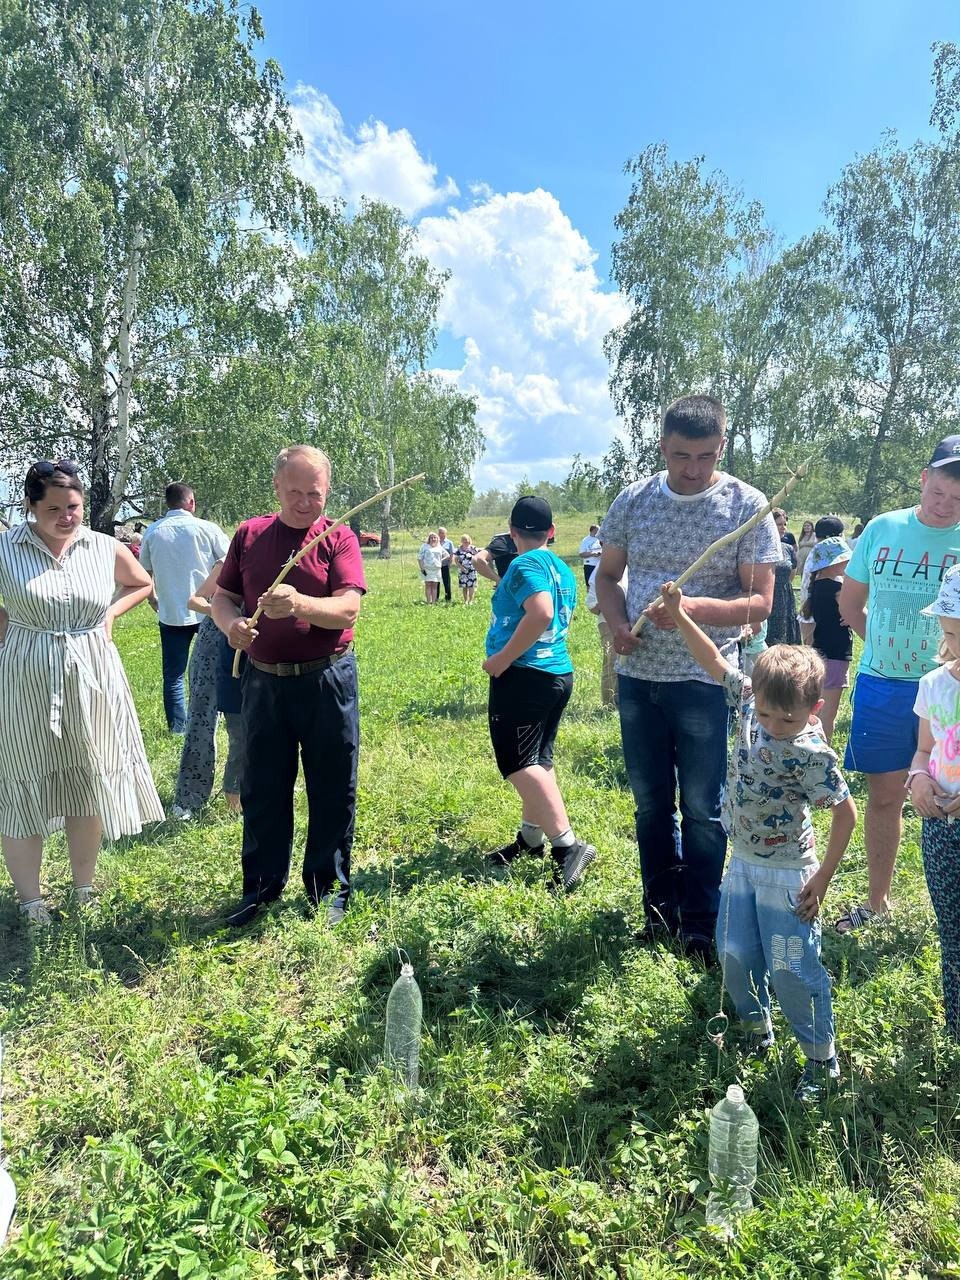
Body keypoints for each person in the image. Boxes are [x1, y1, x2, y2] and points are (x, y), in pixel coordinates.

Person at [595, 394, 781, 960]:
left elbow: (761, 603)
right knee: (651, 803)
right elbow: (607, 576)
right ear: (662, 447)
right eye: (681, 456)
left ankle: (702, 919)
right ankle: (659, 910)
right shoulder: (633, 501)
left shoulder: (746, 508)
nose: (693, 469)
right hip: (638, 676)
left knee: (702, 807)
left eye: (704, 456)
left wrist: (692, 609)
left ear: (722, 446)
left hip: (706, 680)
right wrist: (618, 622)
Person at [660, 581, 857, 1101]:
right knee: (734, 951)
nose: (771, 725)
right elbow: (712, 661)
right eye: (767, 714)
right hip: (742, 862)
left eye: (786, 719)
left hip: (789, 874)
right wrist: (680, 614)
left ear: (815, 708)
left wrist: (822, 876)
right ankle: (755, 1029)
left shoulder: (813, 754)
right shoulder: (752, 700)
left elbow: (846, 815)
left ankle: (822, 1060)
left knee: (792, 965)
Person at [0, 460, 163, 924]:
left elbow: (142, 582)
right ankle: (31, 900)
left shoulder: (102, 545)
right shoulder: (6, 547)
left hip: (93, 673)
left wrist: (110, 615)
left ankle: (83, 887)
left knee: (86, 780)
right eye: (52, 508)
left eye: (72, 506)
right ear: (31, 506)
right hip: (25, 678)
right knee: (24, 782)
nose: (65, 516)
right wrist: (9, 628)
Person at [212, 445, 365, 927]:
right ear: (276, 487)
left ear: (327, 491)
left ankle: (329, 890)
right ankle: (260, 888)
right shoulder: (250, 535)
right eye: (294, 492)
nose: (304, 502)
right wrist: (230, 625)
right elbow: (223, 597)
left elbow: (347, 609)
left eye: (314, 493)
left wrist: (299, 603)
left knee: (332, 785)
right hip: (264, 683)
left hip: (327, 679)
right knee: (263, 787)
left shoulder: (338, 538)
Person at [837, 437, 960, 932]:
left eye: (958, 499)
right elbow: (850, 603)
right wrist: (885, 646)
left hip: (954, 690)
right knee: (886, 794)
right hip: (884, 685)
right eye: (941, 490)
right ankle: (878, 900)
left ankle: (950, 910)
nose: (946, 503)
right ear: (924, 478)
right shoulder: (882, 528)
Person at [484, 496, 595, 889]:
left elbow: (542, 612)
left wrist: (502, 658)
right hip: (557, 674)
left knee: (518, 763)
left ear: (512, 532)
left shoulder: (523, 563)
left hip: (525, 676)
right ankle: (531, 839)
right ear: (551, 532)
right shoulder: (562, 568)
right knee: (538, 760)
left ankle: (567, 846)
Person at [908, 565, 960, 1039]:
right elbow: (925, 748)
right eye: (951, 632)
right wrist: (919, 778)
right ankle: (957, 1027)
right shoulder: (935, 684)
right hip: (942, 825)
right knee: (952, 928)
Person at [139, 483, 230, 733]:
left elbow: (143, 573)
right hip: (208, 610)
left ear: (168, 503)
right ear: (191, 502)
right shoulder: (207, 529)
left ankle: (178, 728)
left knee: (174, 675)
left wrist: (153, 599)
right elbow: (229, 560)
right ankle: (215, 718)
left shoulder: (153, 532)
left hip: (170, 612)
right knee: (214, 668)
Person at [170, 560, 246, 819]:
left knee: (243, 726)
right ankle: (188, 800)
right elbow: (194, 600)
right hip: (213, 647)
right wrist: (222, 612)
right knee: (202, 721)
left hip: (249, 650)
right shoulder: (229, 560)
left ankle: (237, 798)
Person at [803, 536, 853, 743]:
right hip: (836, 652)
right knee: (828, 712)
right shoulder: (838, 588)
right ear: (835, 562)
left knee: (814, 706)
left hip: (820, 649)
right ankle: (824, 750)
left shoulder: (816, 586)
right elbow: (852, 612)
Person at [586, 551, 627, 708]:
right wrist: (609, 606)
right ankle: (610, 704)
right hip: (609, 621)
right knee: (612, 661)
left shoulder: (634, 566)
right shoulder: (602, 569)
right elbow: (591, 604)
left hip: (636, 620)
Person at [798, 516, 845, 646]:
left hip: (809, 616)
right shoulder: (829, 557)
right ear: (838, 536)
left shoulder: (815, 553)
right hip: (823, 621)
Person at [766, 510, 800, 646]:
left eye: (785, 524)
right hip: (767, 595)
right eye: (779, 524)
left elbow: (792, 573)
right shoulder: (761, 547)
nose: (783, 527)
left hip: (785, 597)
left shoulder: (787, 548)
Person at [418, 532, 446, 604]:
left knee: (434, 586)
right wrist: (422, 568)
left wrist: (440, 561)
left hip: (437, 569)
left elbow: (447, 555)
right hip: (427, 568)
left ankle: (433, 602)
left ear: (437, 539)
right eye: (431, 537)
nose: (433, 539)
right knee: (428, 585)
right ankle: (428, 602)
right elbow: (419, 558)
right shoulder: (425, 546)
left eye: (435, 537)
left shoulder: (439, 547)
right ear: (429, 539)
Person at [454, 534, 480, 604]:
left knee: (471, 586)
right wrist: (461, 567)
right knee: (464, 586)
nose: (465, 541)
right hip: (462, 570)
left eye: (467, 540)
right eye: (464, 540)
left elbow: (478, 557)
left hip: (472, 570)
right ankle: (465, 601)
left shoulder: (473, 548)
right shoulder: (458, 549)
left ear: (469, 540)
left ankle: (471, 601)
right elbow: (456, 560)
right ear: (461, 541)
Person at [437, 527, 455, 603]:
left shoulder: (449, 542)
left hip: (445, 565)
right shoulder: (435, 541)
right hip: (436, 566)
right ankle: (435, 597)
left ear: (445, 533)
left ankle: (448, 598)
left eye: (442, 533)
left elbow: (451, 554)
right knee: (436, 582)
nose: (441, 534)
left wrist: (450, 563)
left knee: (446, 582)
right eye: (440, 532)